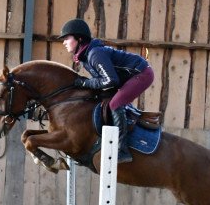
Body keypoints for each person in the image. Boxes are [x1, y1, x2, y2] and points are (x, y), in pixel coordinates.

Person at [58, 18, 154, 163]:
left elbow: (110, 81)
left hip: (142, 74)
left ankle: (122, 150)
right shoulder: (86, 56)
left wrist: (85, 83)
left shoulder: (94, 54)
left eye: (66, 38)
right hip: (127, 77)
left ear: (79, 38)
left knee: (115, 104)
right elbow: (104, 82)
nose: (64, 42)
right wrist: (86, 84)